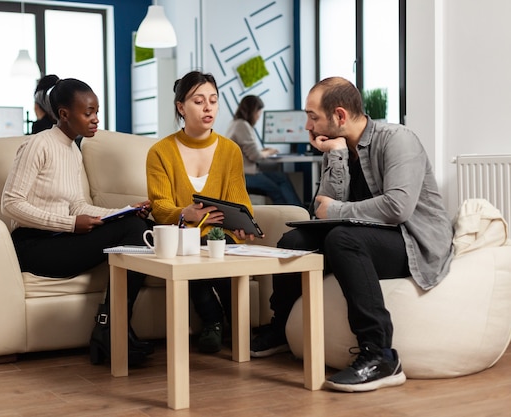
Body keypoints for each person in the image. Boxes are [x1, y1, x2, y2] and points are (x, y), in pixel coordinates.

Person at [250, 77, 454, 392]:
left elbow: (397, 208)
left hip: (413, 240)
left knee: (341, 239)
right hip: (364, 236)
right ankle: (280, 329)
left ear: (340, 116)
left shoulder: (397, 139)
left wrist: (334, 212)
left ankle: (381, 354)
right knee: (293, 242)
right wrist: (336, 155)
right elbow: (321, 208)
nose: (307, 125)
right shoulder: (339, 147)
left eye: (313, 116)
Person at [1, 78, 155, 367]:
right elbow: (10, 204)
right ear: (63, 114)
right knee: (135, 231)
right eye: (88, 113)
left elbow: (77, 206)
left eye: (97, 111)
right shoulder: (37, 145)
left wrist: (121, 211)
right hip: (33, 245)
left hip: (61, 239)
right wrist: (71, 224)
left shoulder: (73, 150)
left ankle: (112, 327)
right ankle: (111, 328)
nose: (96, 119)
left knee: (140, 226)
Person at [146, 71, 257, 354]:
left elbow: (238, 199)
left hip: (221, 234)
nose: (208, 108)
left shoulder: (230, 150)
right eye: (199, 101)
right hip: (183, 237)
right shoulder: (160, 152)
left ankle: (235, 323)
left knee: (218, 245)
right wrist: (185, 214)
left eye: (213, 101)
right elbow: (160, 208)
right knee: (192, 248)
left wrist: (245, 223)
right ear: (181, 107)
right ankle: (213, 321)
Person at [226, 95, 303, 206]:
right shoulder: (242, 125)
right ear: (253, 111)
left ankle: (298, 210)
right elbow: (255, 156)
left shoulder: (235, 124)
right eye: (259, 113)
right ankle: (287, 217)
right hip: (244, 175)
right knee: (276, 190)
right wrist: (269, 152)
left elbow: (246, 150)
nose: (258, 117)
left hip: (242, 172)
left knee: (281, 178)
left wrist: (263, 150)